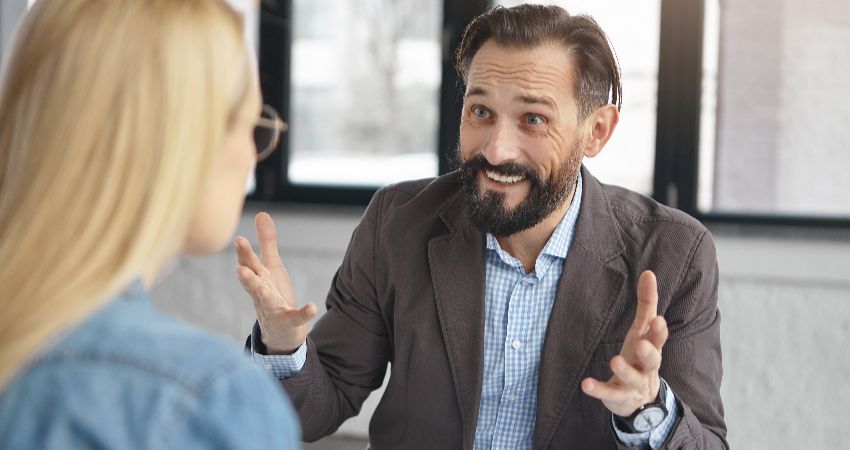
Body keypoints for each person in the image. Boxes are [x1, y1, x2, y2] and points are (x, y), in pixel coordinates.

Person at [237, 4, 726, 449]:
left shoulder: (674, 254)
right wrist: (283, 345)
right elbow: (318, 406)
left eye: (533, 119)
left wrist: (647, 409)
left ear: (596, 131)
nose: (496, 150)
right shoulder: (397, 222)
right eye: (481, 112)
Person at [0, 1, 299, 448]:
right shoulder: (203, 400)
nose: (253, 158)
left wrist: (283, 343)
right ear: (185, 140)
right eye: (253, 128)